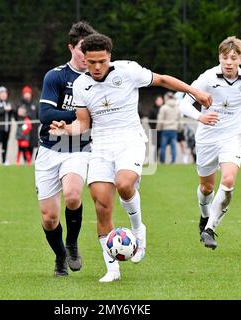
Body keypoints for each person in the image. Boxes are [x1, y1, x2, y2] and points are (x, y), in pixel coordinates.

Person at [49, 33, 212, 282]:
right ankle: (112, 270)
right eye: (91, 62)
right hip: (101, 146)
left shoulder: (128, 71)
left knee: (124, 184)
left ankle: (138, 229)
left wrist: (195, 92)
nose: (96, 67)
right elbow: (83, 124)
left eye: (101, 61)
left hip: (130, 141)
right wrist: (65, 129)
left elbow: (163, 80)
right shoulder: (81, 85)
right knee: (102, 207)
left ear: (109, 57)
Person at [179, 36, 241, 250]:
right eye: (224, 57)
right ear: (219, 57)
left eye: (233, 57)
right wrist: (200, 117)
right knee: (206, 186)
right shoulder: (207, 78)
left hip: (233, 137)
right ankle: (204, 216)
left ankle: (210, 228)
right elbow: (185, 104)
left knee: (228, 180)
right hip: (207, 138)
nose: (228, 62)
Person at [35, 21, 96, 277]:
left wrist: (72, 120)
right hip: (50, 148)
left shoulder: (99, 77)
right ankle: (60, 256)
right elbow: (44, 113)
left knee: (72, 195)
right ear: (71, 48)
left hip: (79, 146)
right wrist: (76, 114)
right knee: (49, 217)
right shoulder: (56, 76)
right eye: (83, 49)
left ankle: (72, 243)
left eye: (91, 50)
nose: (87, 56)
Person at [17, 86, 39, 159]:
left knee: (32, 145)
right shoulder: (20, 104)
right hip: (24, 130)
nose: (27, 95)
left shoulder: (35, 104)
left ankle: (29, 160)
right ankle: (25, 160)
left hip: (33, 129)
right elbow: (17, 115)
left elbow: (38, 115)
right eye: (25, 93)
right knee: (24, 145)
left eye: (28, 93)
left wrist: (36, 125)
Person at [157, 93, 179, 163]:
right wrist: (179, 129)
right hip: (174, 129)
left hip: (165, 129)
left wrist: (158, 128)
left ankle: (162, 161)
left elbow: (160, 119)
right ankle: (173, 161)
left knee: (163, 146)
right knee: (174, 147)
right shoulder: (177, 108)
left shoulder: (164, 107)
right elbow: (180, 119)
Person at [148, 95, 164, 159]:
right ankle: (154, 159)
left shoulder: (164, 108)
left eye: (161, 100)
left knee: (161, 144)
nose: (160, 102)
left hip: (162, 130)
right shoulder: (152, 109)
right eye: (158, 100)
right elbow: (150, 120)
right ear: (156, 101)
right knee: (154, 145)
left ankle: (161, 159)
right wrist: (154, 128)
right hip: (154, 130)